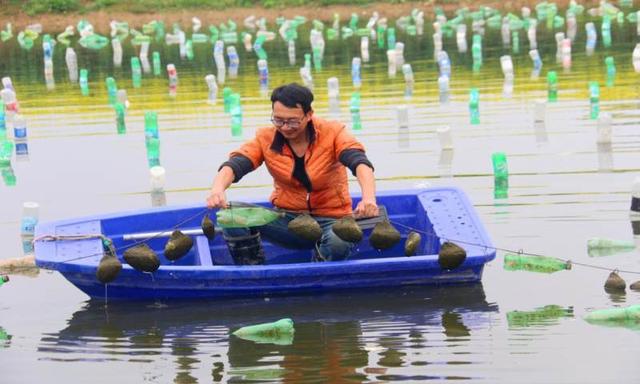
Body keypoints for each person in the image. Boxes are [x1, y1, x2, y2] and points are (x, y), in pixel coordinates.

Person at [206, 83, 378, 264]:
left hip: (332, 219)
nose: (285, 127)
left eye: (293, 121)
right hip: (287, 219)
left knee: (338, 243)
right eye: (278, 120)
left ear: (309, 114)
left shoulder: (333, 133)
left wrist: (369, 198)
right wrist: (218, 189)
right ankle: (253, 271)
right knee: (231, 215)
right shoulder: (265, 138)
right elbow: (235, 164)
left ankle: (318, 274)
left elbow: (360, 163)